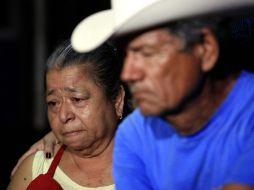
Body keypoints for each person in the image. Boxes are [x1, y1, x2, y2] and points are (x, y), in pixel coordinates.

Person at [11, 0, 254, 189]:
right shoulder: (135, 135)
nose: (128, 73)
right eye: (128, 55)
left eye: (146, 53)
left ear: (205, 49)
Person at [7, 40, 132, 189]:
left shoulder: (154, 167)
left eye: (77, 99)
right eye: (53, 103)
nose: (63, 116)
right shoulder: (37, 168)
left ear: (117, 100)